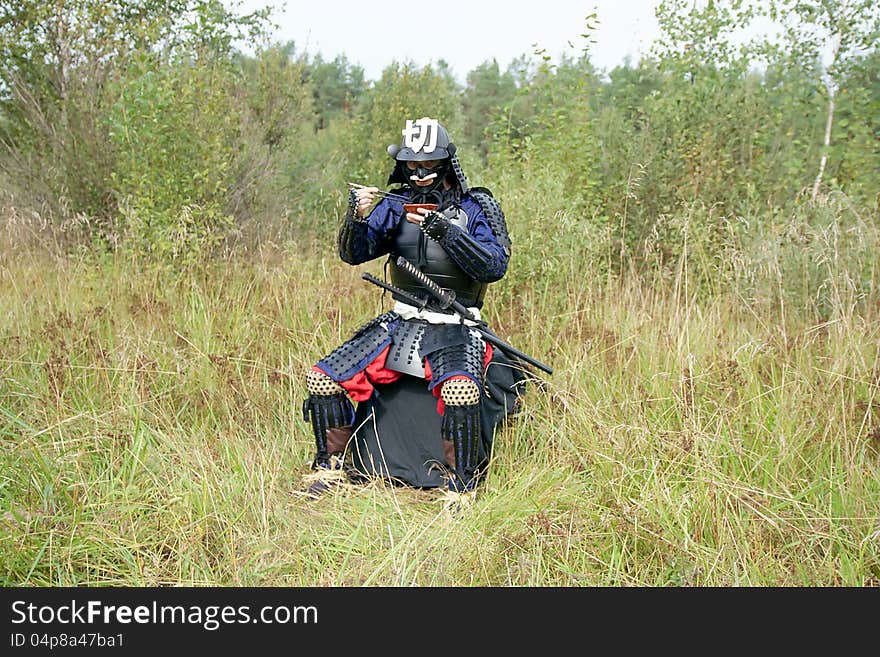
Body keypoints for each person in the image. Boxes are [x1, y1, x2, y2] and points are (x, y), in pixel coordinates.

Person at [301, 116, 525, 504]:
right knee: (322, 378)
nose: (420, 174)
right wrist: (357, 217)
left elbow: (494, 266)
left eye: (429, 166)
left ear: (446, 162)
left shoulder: (477, 206)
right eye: (412, 166)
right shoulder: (397, 205)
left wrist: (447, 232)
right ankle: (329, 467)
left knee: (460, 390)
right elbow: (354, 255)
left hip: (455, 323)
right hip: (400, 319)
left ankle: (460, 489)